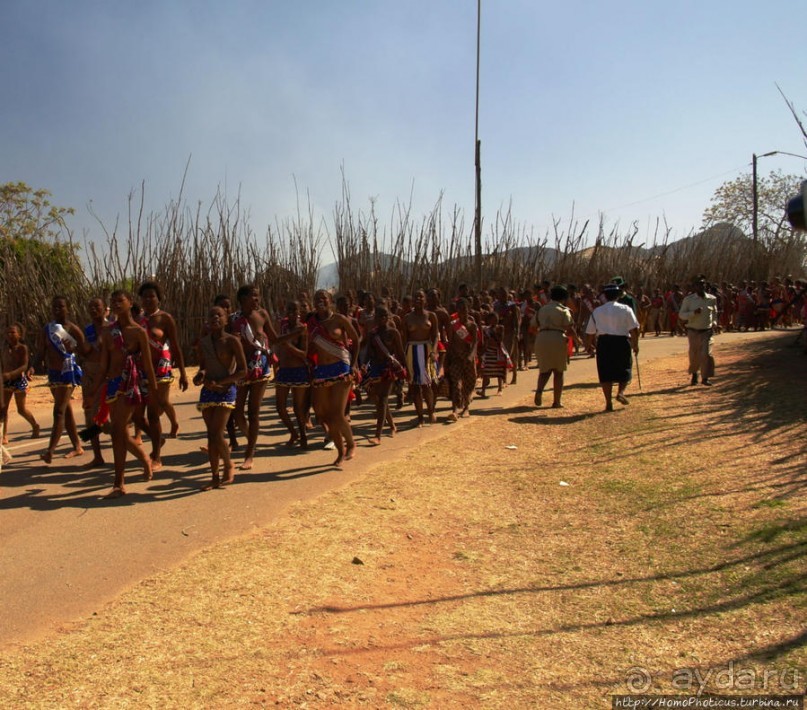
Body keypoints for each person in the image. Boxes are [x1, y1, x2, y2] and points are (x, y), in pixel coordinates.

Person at [98, 290, 158, 498]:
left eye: (120, 301)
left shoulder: (138, 332)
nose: (116, 304)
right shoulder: (108, 332)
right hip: (113, 385)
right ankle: (144, 458)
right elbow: (104, 364)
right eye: (113, 301)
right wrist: (94, 391)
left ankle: (119, 483)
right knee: (118, 431)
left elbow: (148, 366)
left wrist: (154, 393)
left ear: (130, 302)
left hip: (130, 384)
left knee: (117, 430)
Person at [230, 284, 284, 470]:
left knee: (253, 412)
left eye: (258, 296)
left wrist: (295, 334)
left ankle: (249, 454)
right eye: (254, 296)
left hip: (260, 367)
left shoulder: (262, 315)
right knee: (237, 412)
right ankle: (251, 438)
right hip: (241, 368)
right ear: (243, 298)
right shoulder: (233, 319)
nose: (257, 299)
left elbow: (274, 339)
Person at [137, 282, 189, 469]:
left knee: (154, 413)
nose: (148, 300)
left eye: (152, 296)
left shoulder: (165, 319)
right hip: (141, 370)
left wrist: (183, 373)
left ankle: (156, 456)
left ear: (158, 299)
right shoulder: (137, 320)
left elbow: (175, 346)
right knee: (136, 415)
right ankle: (158, 438)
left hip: (160, 370)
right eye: (144, 296)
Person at [194, 306, 247, 490]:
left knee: (217, 432)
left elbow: (243, 370)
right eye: (212, 315)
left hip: (226, 389)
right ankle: (215, 476)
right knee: (211, 435)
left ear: (226, 319)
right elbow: (203, 367)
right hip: (209, 390)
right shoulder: (204, 342)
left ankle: (228, 464)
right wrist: (201, 376)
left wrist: (222, 382)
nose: (215, 318)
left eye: (219, 315)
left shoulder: (232, 341)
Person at [307, 289, 359, 467]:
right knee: (326, 415)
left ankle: (350, 444)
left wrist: (353, 365)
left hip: (341, 367)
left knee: (337, 413)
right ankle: (340, 450)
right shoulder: (311, 324)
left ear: (330, 301)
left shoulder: (340, 319)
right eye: (317, 298)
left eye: (324, 298)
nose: (320, 301)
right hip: (322, 370)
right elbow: (310, 348)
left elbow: (356, 340)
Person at [38, 295, 85, 463]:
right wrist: (32, 367)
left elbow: (84, 350)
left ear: (68, 308)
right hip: (53, 374)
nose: (57, 310)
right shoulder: (47, 329)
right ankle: (77, 446)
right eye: (54, 307)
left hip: (68, 372)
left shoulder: (73, 329)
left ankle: (50, 450)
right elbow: (41, 350)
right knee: (66, 410)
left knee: (58, 411)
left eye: (61, 306)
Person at [585, 284, 640, 412]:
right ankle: (620, 392)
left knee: (605, 372)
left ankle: (608, 402)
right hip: (621, 342)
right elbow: (634, 329)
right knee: (624, 368)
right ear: (618, 295)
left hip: (604, 343)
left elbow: (590, 332)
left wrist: (588, 346)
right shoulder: (626, 309)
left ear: (605, 296)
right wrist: (635, 344)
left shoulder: (597, 311)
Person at [365, 304, 407, 443]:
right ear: (375, 318)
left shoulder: (393, 332)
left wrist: (406, 371)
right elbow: (368, 353)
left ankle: (378, 435)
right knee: (378, 400)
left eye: (385, 315)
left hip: (389, 368)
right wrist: (363, 366)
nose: (382, 318)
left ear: (388, 317)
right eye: (379, 316)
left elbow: (400, 352)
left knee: (383, 399)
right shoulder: (372, 334)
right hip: (375, 368)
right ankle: (393, 426)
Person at [274, 301, 310, 449]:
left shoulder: (302, 329)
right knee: (280, 407)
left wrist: (288, 346)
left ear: (299, 312)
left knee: (298, 408)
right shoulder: (282, 327)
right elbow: (276, 344)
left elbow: (304, 354)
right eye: (289, 309)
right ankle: (293, 433)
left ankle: (303, 435)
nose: (292, 312)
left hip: (298, 371)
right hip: (284, 370)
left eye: (295, 309)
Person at [533, 285, 576, 408]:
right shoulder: (563, 310)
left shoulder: (542, 309)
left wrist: (542, 334)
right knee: (558, 371)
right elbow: (569, 328)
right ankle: (556, 401)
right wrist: (577, 340)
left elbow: (532, 326)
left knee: (544, 369)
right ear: (564, 298)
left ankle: (539, 390)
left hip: (541, 338)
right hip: (557, 337)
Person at [80, 296, 108, 468]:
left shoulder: (112, 328)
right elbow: (85, 352)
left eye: (97, 306)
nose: (93, 309)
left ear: (105, 308)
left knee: (109, 419)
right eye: (90, 307)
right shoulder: (87, 330)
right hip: (90, 374)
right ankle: (97, 456)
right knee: (89, 415)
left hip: (108, 375)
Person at [403, 289, 439, 426]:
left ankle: (431, 411)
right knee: (415, 386)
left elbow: (435, 336)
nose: (418, 299)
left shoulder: (431, 316)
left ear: (425, 299)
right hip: (411, 351)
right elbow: (404, 339)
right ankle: (420, 417)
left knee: (427, 385)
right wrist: (403, 358)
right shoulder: (407, 318)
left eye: (421, 297)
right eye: (416, 297)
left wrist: (434, 351)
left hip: (427, 350)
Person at [1, 323, 40, 442]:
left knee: (21, 409)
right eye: (8, 333)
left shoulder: (22, 348)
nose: (10, 335)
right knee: (3, 408)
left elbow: (24, 366)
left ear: (19, 335)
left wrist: (11, 374)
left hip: (19, 381)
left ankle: (35, 425)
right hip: (6, 381)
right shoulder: (4, 348)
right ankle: (3, 435)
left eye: (13, 332)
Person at [679, 276, 718, 386]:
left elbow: (714, 313)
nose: (701, 286)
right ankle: (694, 373)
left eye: (703, 284)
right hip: (693, 331)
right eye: (698, 284)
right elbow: (681, 315)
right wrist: (693, 313)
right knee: (694, 355)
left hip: (707, 331)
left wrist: (714, 323)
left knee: (706, 354)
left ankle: (705, 377)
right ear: (694, 287)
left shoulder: (712, 299)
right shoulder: (688, 300)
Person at [444, 297, 478, 421]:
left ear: (468, 309)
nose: (463, 311)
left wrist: (471, 356)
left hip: (468, 358)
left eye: (465, 309)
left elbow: (475, 343)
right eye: (460, 309)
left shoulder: (472, 325)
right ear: (457, 310)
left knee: (468, 384)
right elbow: (450, 342)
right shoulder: (453, 325)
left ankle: (466, 408)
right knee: (456, 384)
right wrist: (447, 359)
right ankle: (454, 410)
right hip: (456, 358)